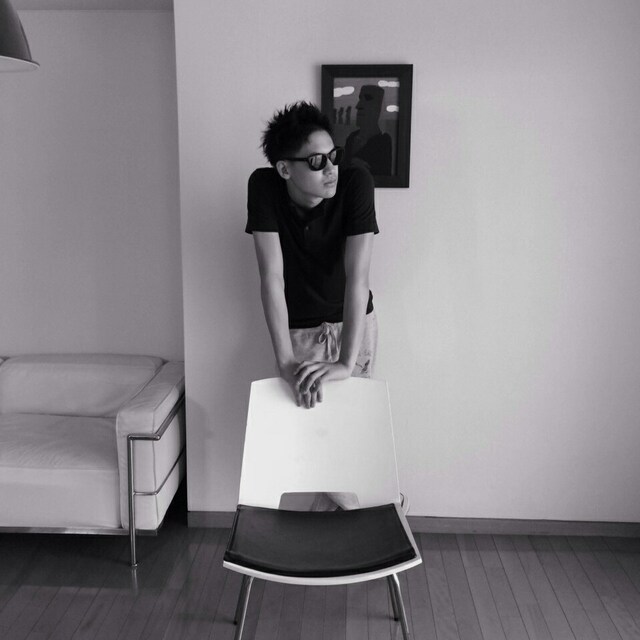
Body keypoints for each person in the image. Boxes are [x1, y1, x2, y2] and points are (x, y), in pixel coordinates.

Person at [246, 101, 379, 413]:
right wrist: (284, 361)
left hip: (353, 326)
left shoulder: (356, 183)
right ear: (284, 169)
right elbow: (271, 278)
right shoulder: (264, 187)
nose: (331, 169)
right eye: (317, 161)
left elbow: (358, 279)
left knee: (354, 423)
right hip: (297, 331)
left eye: (334, 156)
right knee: (303, 425)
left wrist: (346, 362)